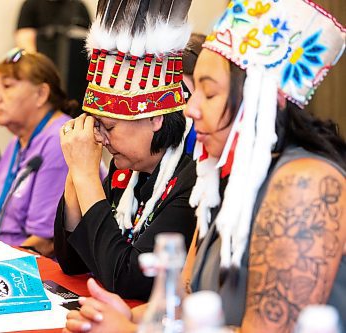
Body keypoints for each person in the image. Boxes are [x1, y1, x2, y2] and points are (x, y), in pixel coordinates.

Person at [62, 0, 346, 332]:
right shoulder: (218, 177)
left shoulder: (305, 183)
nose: (191, 109)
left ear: (261, 99)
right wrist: (133, 318)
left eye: (209, 95)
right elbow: (185, 298)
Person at [54, 0, 197, 301]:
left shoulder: (192, 180)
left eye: (110, 127)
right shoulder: (127, 171)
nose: (101, 139)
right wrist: (76, 173)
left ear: (155, 118)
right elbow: (73, 262)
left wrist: (86, 177)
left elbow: (128, 278)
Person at [0, 48, 76, 257]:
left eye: (7, 86)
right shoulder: (18, 141)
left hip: (36, 267)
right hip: (3, 253)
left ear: (41, 94)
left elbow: (45, 241)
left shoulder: (59, 141)